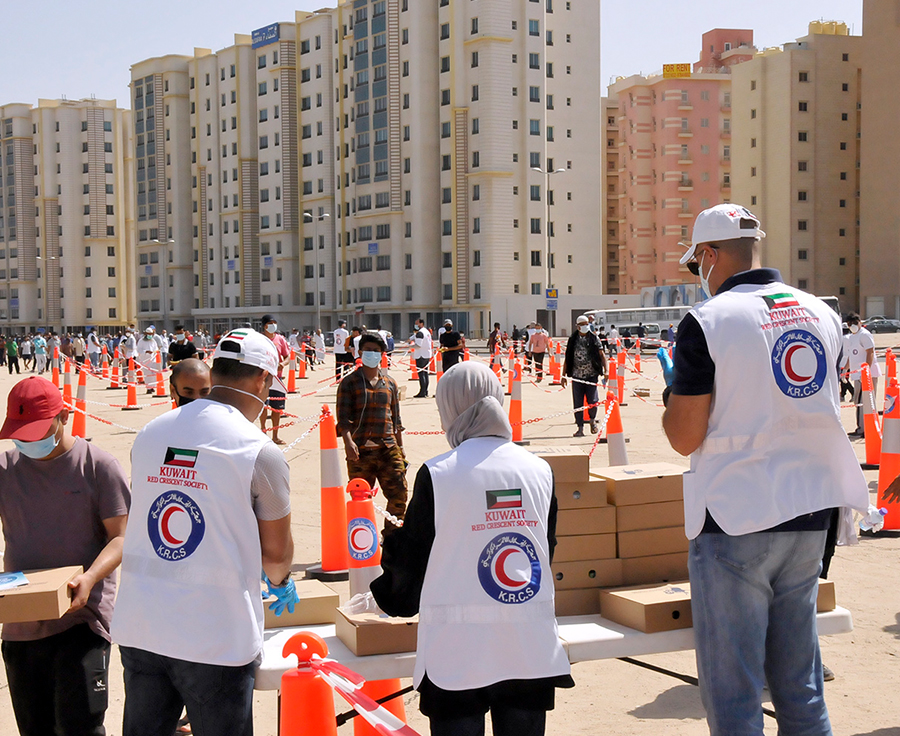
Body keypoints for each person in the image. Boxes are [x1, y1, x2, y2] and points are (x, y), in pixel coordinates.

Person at [661, 203, 868, 736]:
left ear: (709, 254)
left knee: (736, 695)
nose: (699, 274)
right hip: (810, 510)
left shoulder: (709, 321)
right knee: (800, 687)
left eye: (697, 263)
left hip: (736, 515)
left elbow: (684, 435)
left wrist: (671, 400)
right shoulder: (819, 311)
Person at [370, 362, 573, 736]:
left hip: (456, 656)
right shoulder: (539, 470)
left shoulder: (438, 473)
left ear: (451, 409)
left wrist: (387, 595)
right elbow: (545, 550)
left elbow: (412, 566)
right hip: (529, 648)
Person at [112, 328, 297, 736]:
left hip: (142, 624)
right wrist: (282, 581)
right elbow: (276, 556)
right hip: (215, 636)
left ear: (215, 373)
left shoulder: (151, 433)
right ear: (263, 380)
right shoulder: (259, 451)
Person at [0, 376, 130, 736]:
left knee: (81, 727)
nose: (29, 442)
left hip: (82, 621)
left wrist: (89, 579)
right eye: (21, 435)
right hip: (21, 625)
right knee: (34, 728)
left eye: (37, 433)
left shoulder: (98, 466)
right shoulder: (5, 470)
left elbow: (121, 538)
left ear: (64, 418)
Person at [336, 332, 408, 531]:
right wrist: (348, 443)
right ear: (360, 352)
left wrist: (401, 448)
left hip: (388, 448)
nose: (372, 354)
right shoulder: (349, 383)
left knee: (399, 496)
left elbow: (396, 420)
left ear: (382, 354)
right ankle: (364, 540)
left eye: (376, 350)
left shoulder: (390, 383)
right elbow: (343, 419)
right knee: (361, 499)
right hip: (360, 452)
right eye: (368, 350)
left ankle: (392, 539)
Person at [561, 316, 606, 437]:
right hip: (577, 376)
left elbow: (602, 355)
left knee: (593, 400)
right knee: (578, 403)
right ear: (577, 326)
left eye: (587, 324)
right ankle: (580, 428)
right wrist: (563, 375)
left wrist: (606, 370)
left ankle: (592, 420)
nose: (586, 326)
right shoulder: (573, 339)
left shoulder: (594, 338)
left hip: (591, 375)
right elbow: (568, 358)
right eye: (583, 324)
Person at [844, 312, 881, 438]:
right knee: (858, 401)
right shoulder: (851, 337)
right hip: (857, 375)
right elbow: (852, 355)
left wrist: (867, 371)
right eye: (850, 324)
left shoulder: (864, 335)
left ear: (860, 322)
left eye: (855, 323)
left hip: (867, 375)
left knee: (866, 402)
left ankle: (865, 429)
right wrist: (846, 370)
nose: (852, 326)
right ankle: (861, 427)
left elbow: (870, 352)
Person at [259, 315, 290, 445]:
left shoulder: (280, 339)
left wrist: (283, 364)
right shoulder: (259, 339)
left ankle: (275, 436)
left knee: (277, 408)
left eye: (274, 323)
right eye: (270, 323)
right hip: (263, 378)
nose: (273, 325)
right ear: (264, 325)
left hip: (277, 378)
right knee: (263, 406)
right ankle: (263, 432)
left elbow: (287, 356)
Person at [412, 317, 433, 398]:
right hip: (426, 354)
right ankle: (425, 391)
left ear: (421, 324)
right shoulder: (426, 331)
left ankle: (422, 391)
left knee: (421, 374)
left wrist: (410, 346)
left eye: (417, 323)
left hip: (421, 355)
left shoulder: (420, 333)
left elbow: (418, 345)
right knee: (425, 373)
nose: (416, 325)